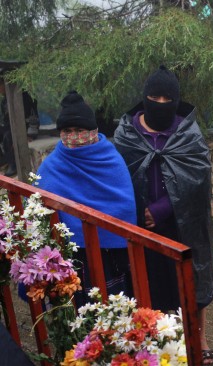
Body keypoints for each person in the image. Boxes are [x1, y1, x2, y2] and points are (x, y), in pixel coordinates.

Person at [113, 66, 213, 364]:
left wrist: (159, 209)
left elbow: (196, 182)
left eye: (166, 98)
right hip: (138, 224)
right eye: (153, 96)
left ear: (176, 99)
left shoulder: (187, 133)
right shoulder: (126, 133)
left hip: (180, 223)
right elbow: (117, 176)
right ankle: (152, 341)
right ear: (144, 98)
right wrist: (138, 209)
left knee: (190, 280)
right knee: (148, 282)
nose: (160, 103)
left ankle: (198, 337)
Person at [34, 91, 137, 304]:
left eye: (80, 130)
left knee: (110, 308)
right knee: (74, 309)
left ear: (93, 131)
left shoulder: (110, 160)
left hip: (108, 254)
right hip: (69, 256)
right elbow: (36, 203)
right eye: (67, 130)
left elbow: (124, 205)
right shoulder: (52, 165)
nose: (74, 136)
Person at [0, 81, 39, 177]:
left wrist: (28, 134)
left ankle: (13, 165)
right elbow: (6, 121)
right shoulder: (4, 100)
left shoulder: (24, 97)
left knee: (7, 137)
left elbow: (33, 117)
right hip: (10, 127)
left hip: (24, 128)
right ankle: (2, 160)